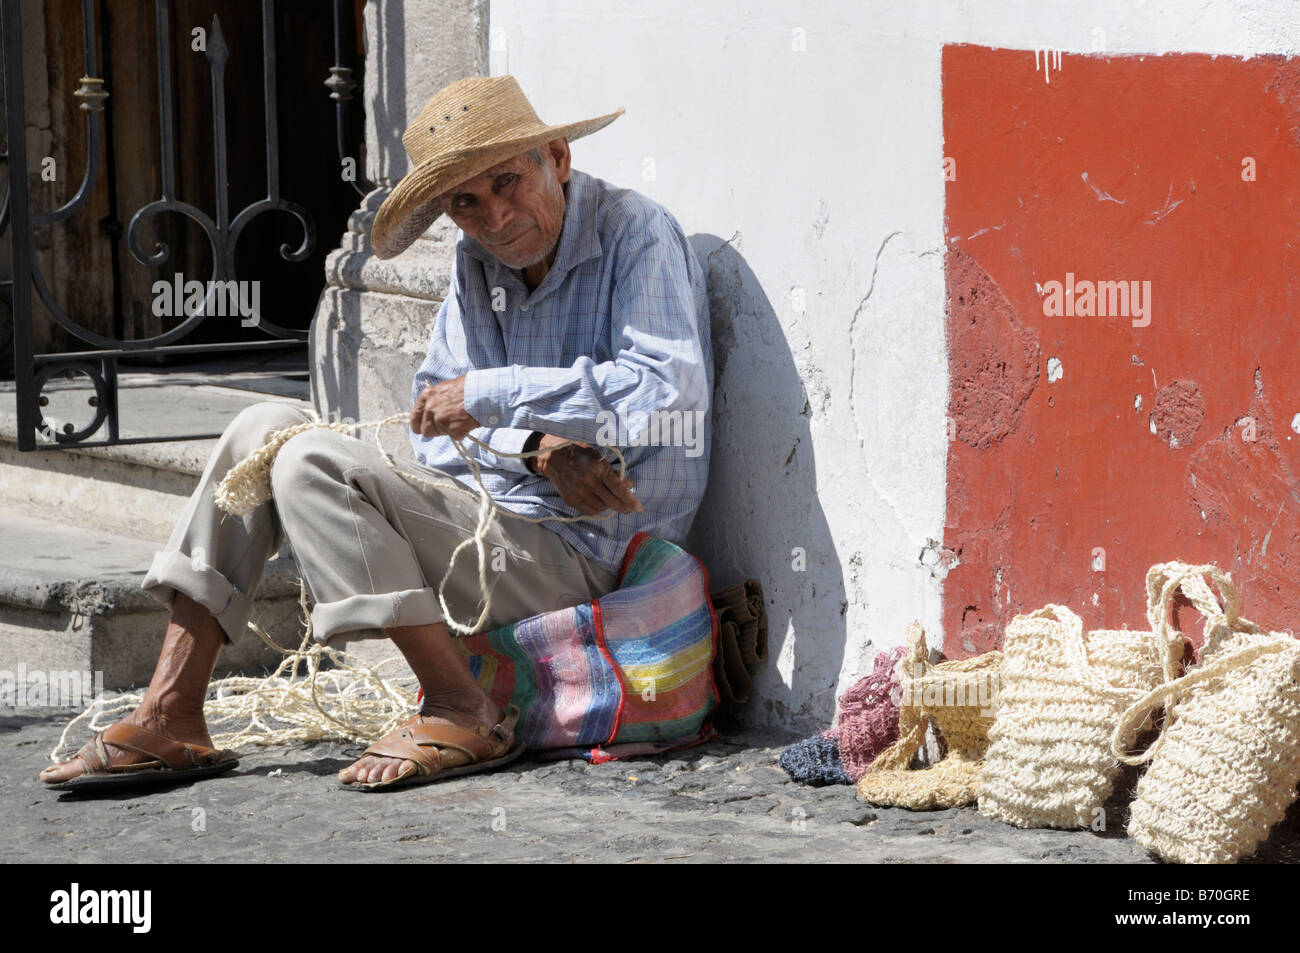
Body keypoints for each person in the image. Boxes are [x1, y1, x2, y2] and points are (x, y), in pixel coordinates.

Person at [39, 74, 712, 792]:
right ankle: (171, 710)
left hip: (590, 550)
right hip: (497, 524)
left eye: (508, 182)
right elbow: (431, 424)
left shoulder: (636, 233)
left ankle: (462, 705)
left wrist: (492, 396)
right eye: (465, 203)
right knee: (262, 428)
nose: (494, 217)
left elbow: (670, 392)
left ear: (558, 158)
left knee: (307, 465)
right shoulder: (478, 260)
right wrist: (538, 448)